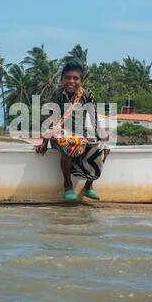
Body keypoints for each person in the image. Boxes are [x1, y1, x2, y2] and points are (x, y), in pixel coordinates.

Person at [35, 61, 110, 201]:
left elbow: (94, 118)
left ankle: (88, 186)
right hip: (60, 134)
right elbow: (52, 119)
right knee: (69, 147)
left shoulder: (86, 95)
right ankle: (68, 186)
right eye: (68, 77)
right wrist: (44, 142)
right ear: (62, 79)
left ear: (81, 81)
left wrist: (102, 140)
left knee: (103, 150)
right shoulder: (57, 94)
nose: (71, 81)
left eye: (75, 78)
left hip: (81, 134)